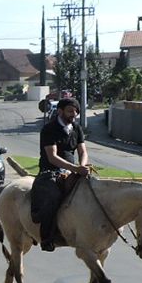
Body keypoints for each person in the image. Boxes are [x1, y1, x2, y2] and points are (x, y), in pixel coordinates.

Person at [31, 97, 92, 251]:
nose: (74, 114)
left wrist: (82, 166)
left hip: (72, 170)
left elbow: (82, 151)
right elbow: (52, 157)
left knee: (91, 192)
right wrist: (75, 169)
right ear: (60, 111)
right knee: (54, 197)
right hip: (50, 172)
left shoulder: (76, 128)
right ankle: (46, 238)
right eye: (70, 111)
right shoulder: (49, 129)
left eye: (76, 111)